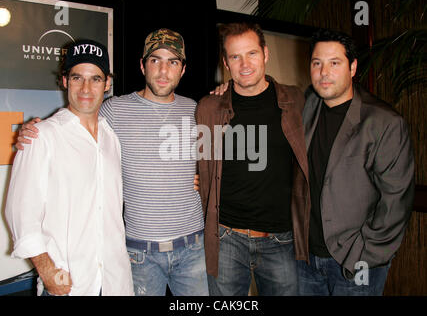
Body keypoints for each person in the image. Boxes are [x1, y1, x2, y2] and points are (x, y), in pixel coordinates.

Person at [14, 29, 208, 296]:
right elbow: (75, 119)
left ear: (183, 70)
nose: (163, 71)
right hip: (139, 255)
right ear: (142, 65)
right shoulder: (113, 111)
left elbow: (219, 163)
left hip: (192, 250)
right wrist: (29, 131)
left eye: (173, 62)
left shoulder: (198, 110)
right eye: (155, 60)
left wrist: (202, 177)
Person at [5, 39, 134, 296]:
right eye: (77, 78)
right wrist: (48, 271)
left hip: (115, 283)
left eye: (95, 79)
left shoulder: (112, 138)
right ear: (65, 81)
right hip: (69, 285)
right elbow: (20, 214)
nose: (86, 88)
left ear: (107, 83)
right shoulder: (41, 137)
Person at [297, 28, 414, 296]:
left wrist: (362, 256)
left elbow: (395, 203)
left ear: (352, 67)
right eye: (317, 63)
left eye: (334, 63)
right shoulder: (307, 105)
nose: (324, 72)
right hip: (305, 261)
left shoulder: (384, 123)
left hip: (355, 264)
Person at [196, 22, 310, 296]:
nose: (244, 64)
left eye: (252, 54)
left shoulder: (296, 101)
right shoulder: (209, 107)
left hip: (281, 240)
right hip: (226, 239)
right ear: (226, 62)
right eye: (235, 57)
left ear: (266, 54)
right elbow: (198, 161)